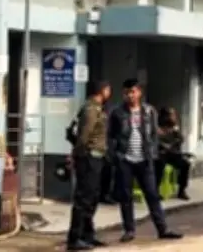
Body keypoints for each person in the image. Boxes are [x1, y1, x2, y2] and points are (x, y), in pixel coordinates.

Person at [108, 78, 183, 243]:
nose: (130, 95)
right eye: (127, 92)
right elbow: (111, 136)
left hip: (145, 160)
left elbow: (154, 135)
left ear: (139, 92)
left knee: (152, 195)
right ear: (123, 94)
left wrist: (153, 153)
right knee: (126, 197)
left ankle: (163, 228)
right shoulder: (117, 113)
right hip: (125, 159)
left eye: (133, 92)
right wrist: (116, 155)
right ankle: (129, 230)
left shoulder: (149, 112)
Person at [66, 81, 111, 251]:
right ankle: (75, 237)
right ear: (102, 90)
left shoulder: (97, 108)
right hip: (88, 157)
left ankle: (88, 235)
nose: (109, 92)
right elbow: (84, 135)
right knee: (84, 198)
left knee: (92, 198)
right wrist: (77, 156)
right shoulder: (91, 109)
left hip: (97, 157)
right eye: (107, 89)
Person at [155, 108, 191, 201]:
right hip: (161, 154)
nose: (173, 117)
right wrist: (164, 146)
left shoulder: (174, 127)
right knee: (159, 165)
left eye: (174, 115)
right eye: (171, 115)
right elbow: (155, 140)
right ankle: (155, 191)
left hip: (172, 154)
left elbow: (181, 139)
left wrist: (174, 141)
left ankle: (181, 190)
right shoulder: (158, 127)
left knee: (185, 164)